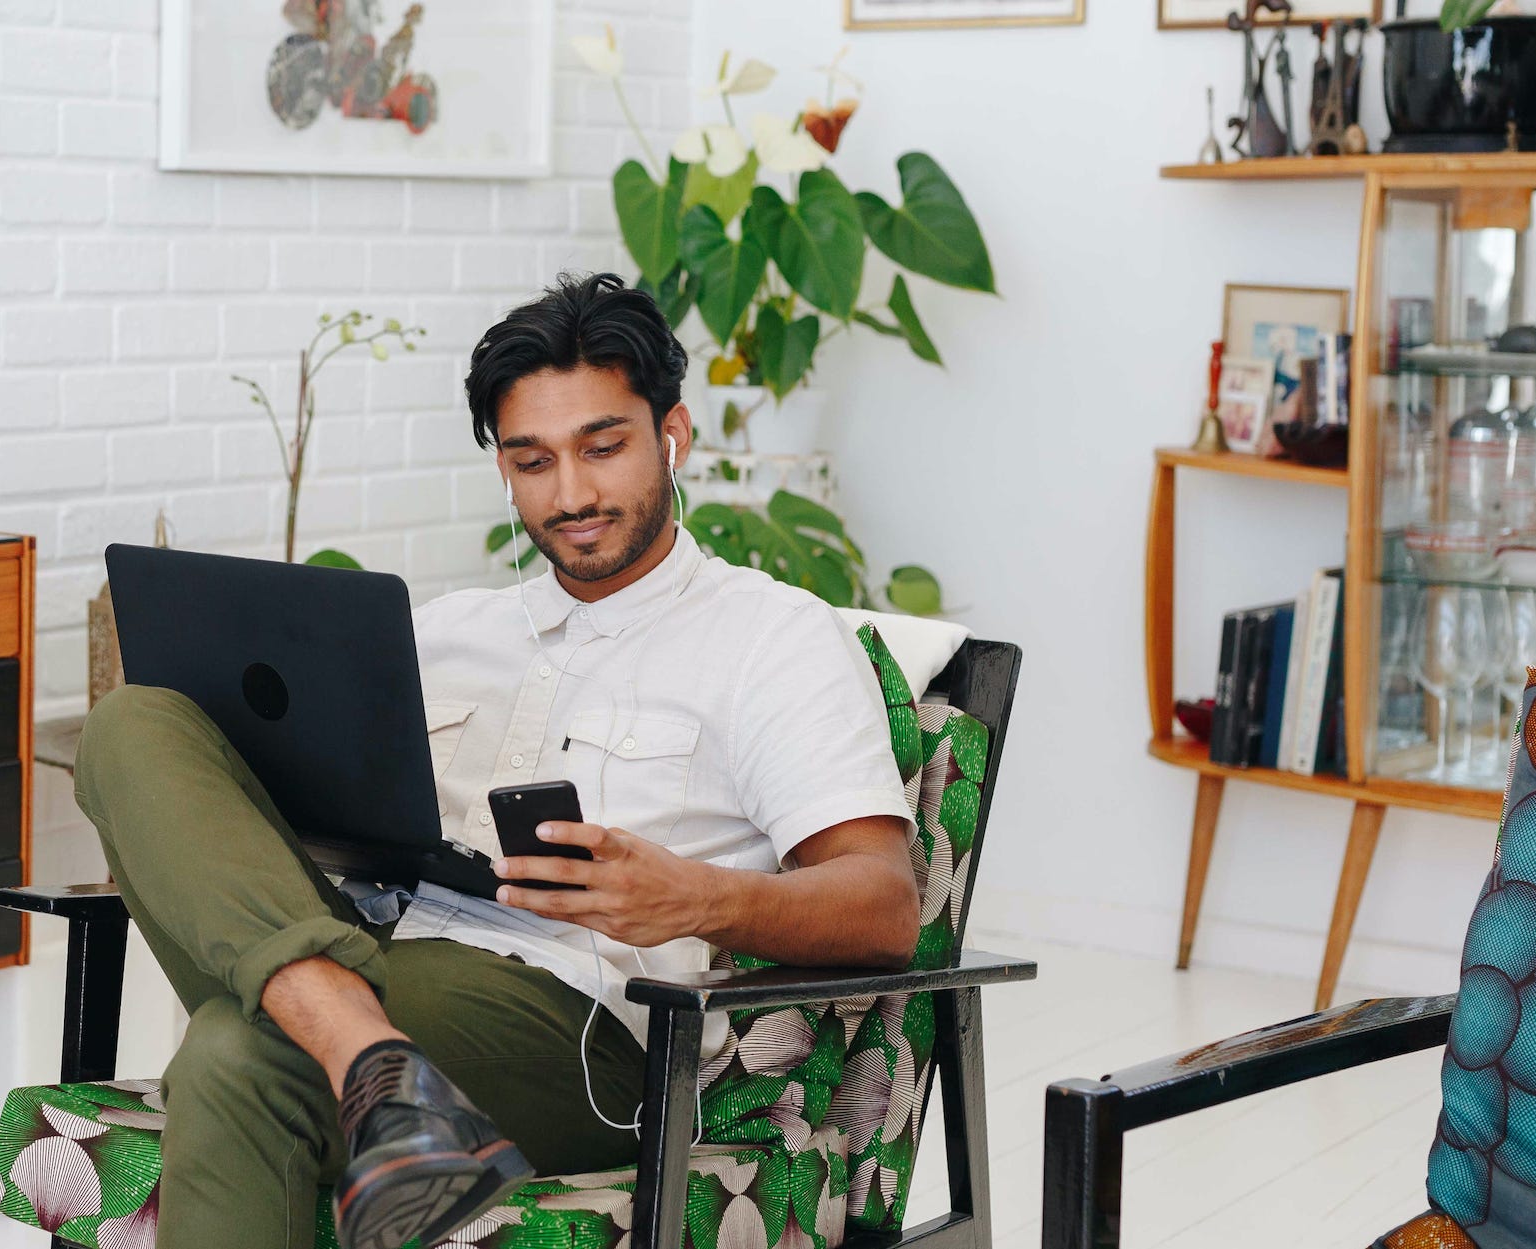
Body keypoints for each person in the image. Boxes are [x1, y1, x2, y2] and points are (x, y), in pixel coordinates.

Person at [73, 272, 920, 1249]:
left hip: (576, 1025)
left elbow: (882, 906)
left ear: (672, 435)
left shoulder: (772, 640)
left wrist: (692, 896)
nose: (571, 494)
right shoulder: (438, 632)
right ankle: (373, 1061)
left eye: (602, 448)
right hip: (373, 953)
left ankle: (359, 1058)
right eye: (532, 461)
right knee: (131, 722)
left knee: (235, 1048)